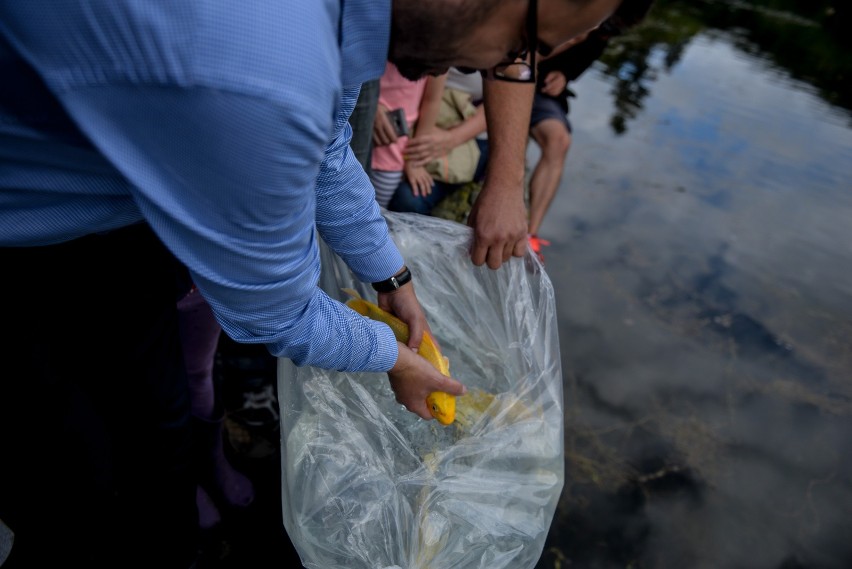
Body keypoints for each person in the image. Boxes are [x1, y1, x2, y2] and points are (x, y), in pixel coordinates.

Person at [0, 0, 625, 566]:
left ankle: (177, 510)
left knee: (157, 437)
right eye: (519, 44)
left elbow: (329, 152)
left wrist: (392, 275)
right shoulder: (262, 74)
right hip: (29, 258)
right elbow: (273, 310)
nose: (498, 69)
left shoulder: (337, 24)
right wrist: (394, 359)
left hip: (121, 227)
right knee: (73, 505)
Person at [525, 0, 656, 261]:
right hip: (512, 78)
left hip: (541, 92)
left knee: (560, 141)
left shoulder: (603, 33)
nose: (608, 28)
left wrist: (563, 77)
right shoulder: (560, 10)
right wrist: (570, 40)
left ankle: (531, 233)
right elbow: (519, 56)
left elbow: (572, 69)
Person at [176, 286, 255, 531]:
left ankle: (213, 459)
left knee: (199, 371)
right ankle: (180, 478)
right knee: (146, 385)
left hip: (196, 269)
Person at [389, 67, 489, 215]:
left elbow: (505, 102)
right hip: (411, 119)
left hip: (462, 132)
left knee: (409, 199)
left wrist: (451, 138)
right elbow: (431, 98)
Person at [370, 62, 446, 208]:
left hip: (391, 154)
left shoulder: (439, 47)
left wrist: (414, 159)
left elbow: (432, 100)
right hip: (350, 136)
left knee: (375, 212)